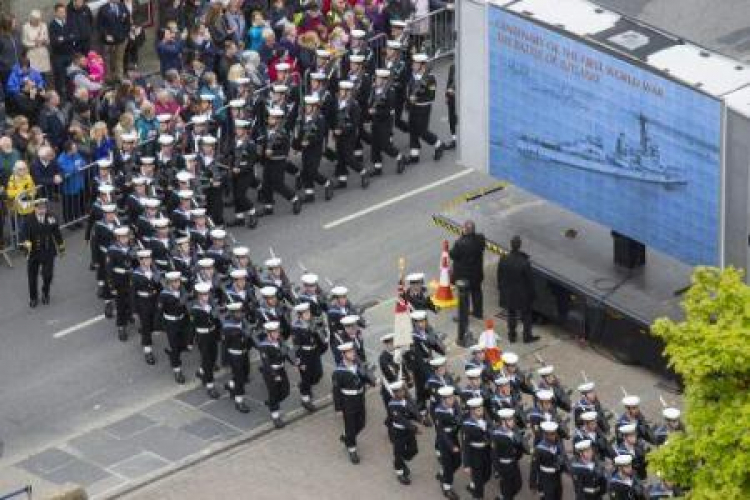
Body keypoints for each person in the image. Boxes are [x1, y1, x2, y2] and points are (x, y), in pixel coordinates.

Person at [332, 341, 376, 464]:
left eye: (353, 351)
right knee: (351, 426)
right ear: (343, 355)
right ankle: (352, 449)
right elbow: (336, 391)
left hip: (360, 398)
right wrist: (338, 409)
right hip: (347, 402)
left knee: (361, 423)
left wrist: (371, 380)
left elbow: (364, 378)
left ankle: (347, 436)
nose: (353, 354)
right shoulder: (338, 372)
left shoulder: (358, 366)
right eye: (349, 352)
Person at [21, 198, 64, 307]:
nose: (42, 210)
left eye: (44, 207)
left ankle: (45, 292)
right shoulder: (28, 220)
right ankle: (33, 298)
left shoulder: (51, 217)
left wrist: (61, 246)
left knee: (48, 275)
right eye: (39, 208)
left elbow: (56, 232)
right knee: (32, 277)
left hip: (48, 250)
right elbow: (24, 236)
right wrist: (26, 244)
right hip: (33, 252)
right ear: (34, 208)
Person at [497, 235, 540, 343]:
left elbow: (500, 276)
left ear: (511, 245)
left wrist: (501, 289)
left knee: (511, 314)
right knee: (526, 315)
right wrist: (533, 294)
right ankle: (527, 336)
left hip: (508, 293)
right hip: (522, 294)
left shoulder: (504, 259)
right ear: (520, 245)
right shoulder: (524, 262)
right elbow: (529, 280)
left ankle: (512, 335)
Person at [406, 53, 445, 164]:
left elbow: (431, 97)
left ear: (422, 66)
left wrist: (417, 98)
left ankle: (438, 144)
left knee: (422, 132)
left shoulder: (430, 78)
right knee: (412, 129)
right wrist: (409, 101)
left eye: (415, 63)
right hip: (413, 107)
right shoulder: (413, 75)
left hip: (423, 108)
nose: (413, 65)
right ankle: (414, 155)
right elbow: (409, 90)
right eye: (413, 63)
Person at [258, 320, 295, 428]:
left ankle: (272, 403)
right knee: (273, 393)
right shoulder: (264, 346)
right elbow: (266, 363)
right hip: (270, 372)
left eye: (277, 332)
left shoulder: (280, 341)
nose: (277, 334)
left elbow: (286, 352)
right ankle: (275, 416)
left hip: (281, 369)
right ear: (269, 333)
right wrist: (275, 375)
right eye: (274, 332)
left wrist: (295, 362)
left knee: (286, 391)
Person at [386, 380, 421, 485]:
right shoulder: (392, 405)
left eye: (403, 390)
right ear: (395, 393)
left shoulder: (406, 400)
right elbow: (402, 420)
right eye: (400, 391)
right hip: (398, 431)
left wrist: (421, 419)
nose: (403, 393)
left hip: (408, 431)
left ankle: (400, 460)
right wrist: (415, 428)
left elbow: (413, 412)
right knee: (398, 452)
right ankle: (400, 473)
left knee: (413, 450)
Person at [449, 220, 486, 319]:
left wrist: (462, 236)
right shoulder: (480, 239)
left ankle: (463, 316)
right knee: (477, 292)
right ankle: (478, 313)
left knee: (464, 296)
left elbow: (453, 255)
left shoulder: (460, 243)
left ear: (465, 230)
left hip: (464, 276)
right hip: (477, 274)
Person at [491, 407, 529, 500]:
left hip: (514, 463)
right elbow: (494, 454)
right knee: (508, 489)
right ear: (503, 422)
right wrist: (497, 469)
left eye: (512, 419)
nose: (513, 421)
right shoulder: (497, 435)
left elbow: (519, 448)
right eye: (510, 420)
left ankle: (503, 496)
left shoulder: (514, 431)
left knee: (518, 485)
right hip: (504, 466)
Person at [131, 248, 161, 365]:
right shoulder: (136, 275)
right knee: (146, 326)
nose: (149, 261)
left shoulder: (154, 271)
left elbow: (159, 288)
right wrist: (134, 311)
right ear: (140, 261)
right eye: (146, 259)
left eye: (149, 258)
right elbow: (133, 294)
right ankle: (147, 349)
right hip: (143, 303)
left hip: (154, 300)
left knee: (155, 322)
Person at [434, 386, 462, 499]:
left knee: (458, 461)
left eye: (453, 397)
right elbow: (441, 432)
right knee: (448, 465)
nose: (452, 400)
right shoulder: (439, 412)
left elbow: (459, 416)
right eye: (449, 399)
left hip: (454, 437)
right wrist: (451, 446)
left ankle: (443, 473)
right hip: (445, 442)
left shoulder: (455, 404)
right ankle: (446, 487)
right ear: (443, 400)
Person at [462, 396, 492, 500]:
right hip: (475, 455)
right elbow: (465, 445)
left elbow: (490, 433)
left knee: (487, 475)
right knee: (479, 483)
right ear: (472, 411)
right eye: (478, 410)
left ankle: (474, 484)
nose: (481, 412)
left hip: (486, 453)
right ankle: (477, 495)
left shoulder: (486, 421)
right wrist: (466, 464)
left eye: (482, 409)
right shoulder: (467, 425)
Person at [97, 0, 131, 82]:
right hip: (109, 41)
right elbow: (100, 25)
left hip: (121, 39)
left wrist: (125, 33)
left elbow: (127, 21)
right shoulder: (103, 9)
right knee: (108, 59)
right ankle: (109, 78)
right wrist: (106, 35)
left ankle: (119, 76)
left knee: (119, 58)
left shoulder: (122, 6)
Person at [49, 4, 75, 98]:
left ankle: (70, 97)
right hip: (58, 56)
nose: (63, 14)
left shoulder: (69, 23)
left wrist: (63, 39)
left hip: (69, 54)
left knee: (70, 77)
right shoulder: (52, 25)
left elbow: (73, 36)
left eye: (64, 12)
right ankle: (60, 99)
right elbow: (55, 41)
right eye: (60, 12)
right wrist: (66, 38)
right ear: (55, 13)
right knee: (59, 79)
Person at [21, 10, 51, 81]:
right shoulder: (26, 27)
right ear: (31, 19)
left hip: (42, 53)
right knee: (33, 75)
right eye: (36, 20)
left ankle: (43, 90)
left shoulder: (43, 25)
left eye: (39, 20)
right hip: (32, 54)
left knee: (43, 75)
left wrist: (45, 41)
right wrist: (34, 44)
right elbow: (24, 42)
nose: (38, 22)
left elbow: (48, 39)